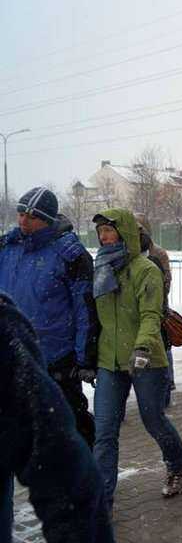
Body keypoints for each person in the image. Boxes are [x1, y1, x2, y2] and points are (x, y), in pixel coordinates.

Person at [0, 293, 123, 543]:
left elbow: (67, 483)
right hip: (58, 358)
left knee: (107, 430)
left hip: (68, 360)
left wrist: (83, 356)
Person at [90, 208, 182, 507]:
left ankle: (177, 466)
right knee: (104, 431)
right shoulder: (101, 268)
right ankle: (102, 500)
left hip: (145, 359)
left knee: (153, 420)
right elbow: (94, 318)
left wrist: (143, 347)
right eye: (101, 232)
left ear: (125, 233)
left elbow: (150, 314)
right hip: (110, 360)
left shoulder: (146, 270)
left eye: (110, 230)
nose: (104, 237)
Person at [0, 187, 98, 448]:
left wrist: (85, 357)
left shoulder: (70, 255)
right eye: (21, 213)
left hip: (57, 358)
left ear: (47, 219)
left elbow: (84, 308)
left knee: (69, 424)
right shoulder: (6, 248)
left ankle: (86, 470)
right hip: (13, 352)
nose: (23, 220)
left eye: (32, 216)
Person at [134, 214, 176, 408]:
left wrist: (156, 298)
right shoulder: (127, 252)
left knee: (162, 346)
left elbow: (166, 282)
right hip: (136, 311)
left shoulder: (158, 253)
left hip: (158, 309)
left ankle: (167, 381)